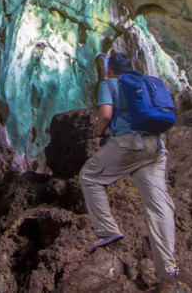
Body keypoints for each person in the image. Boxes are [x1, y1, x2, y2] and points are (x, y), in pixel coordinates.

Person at [79, 52, 186, 291]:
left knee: (90, 176)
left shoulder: (110, 83)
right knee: (159, 206)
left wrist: (98, 135)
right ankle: (167, 271)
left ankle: (108, 230)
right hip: (156, 146)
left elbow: (105, 114)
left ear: (109, 70)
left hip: (130, 142)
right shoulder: (143, 83)